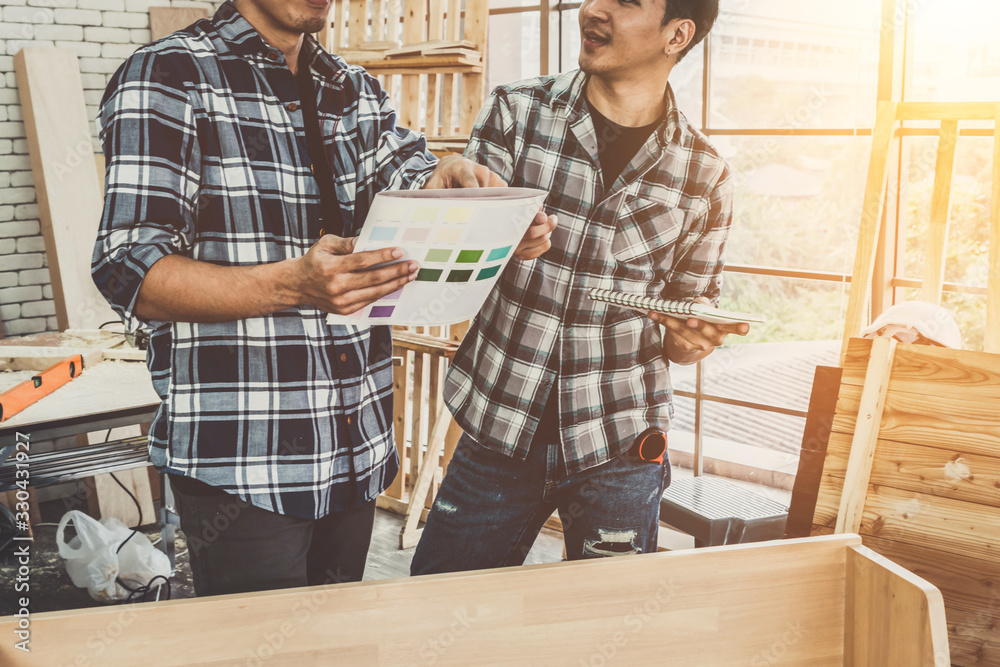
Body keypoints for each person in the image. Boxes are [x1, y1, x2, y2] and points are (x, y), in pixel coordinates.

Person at [92, 0, 554, 596]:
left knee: (337, 648)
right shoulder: (169, 74)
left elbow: (411, 176)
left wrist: (463, 195)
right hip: (244, 461)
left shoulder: (350, 86)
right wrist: (291, 285)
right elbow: (128, 267)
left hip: (354, 449)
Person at [411, 0, 748, 574]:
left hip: (619, 442)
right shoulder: (517, 113)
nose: (593, 9)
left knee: (607, 627)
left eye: (625, 2)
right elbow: (444, 264)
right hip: (499, 423)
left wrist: (693, 338)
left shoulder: (705, 174)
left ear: (677, 35)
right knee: (437, 612)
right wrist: (472, 226)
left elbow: (687, 326)